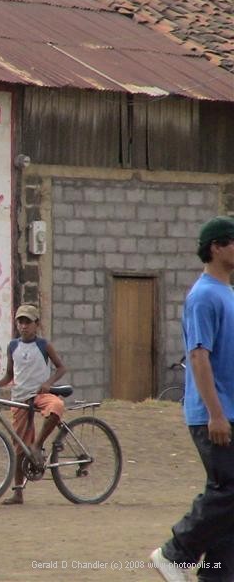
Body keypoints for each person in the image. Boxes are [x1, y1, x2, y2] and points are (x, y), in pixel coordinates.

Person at [150, 216, 234, 582]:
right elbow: (199, 356)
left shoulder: (228, 293)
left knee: (231, 506)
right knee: (228, 489)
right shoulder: (203, 296)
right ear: (216, 247)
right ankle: (175, 552)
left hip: (230, 410)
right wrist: (216, 415)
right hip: (213, 414)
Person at [0, 304, 66, 506]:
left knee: (57, 407)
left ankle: (38, 445)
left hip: (40, 395)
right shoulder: (13, 346)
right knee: (19, 445)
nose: (24, 326)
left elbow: (61, 367)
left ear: (37, 324)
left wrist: (48, 383)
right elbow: (9, 375)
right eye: (21, 321)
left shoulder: (44, 345)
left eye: (28, 322)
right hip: (20, 397)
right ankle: (18, 492)